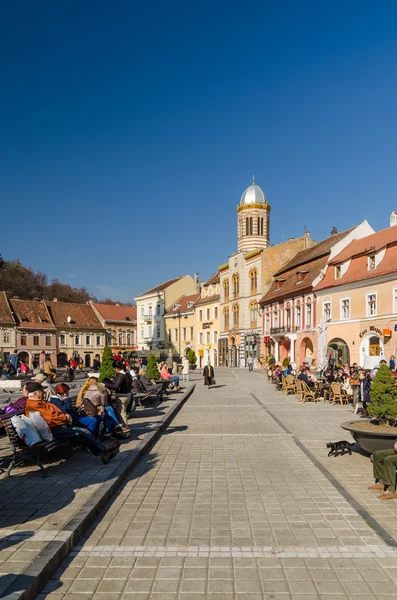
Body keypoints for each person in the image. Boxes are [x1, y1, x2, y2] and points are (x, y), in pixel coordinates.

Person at [25, 382, 119, 463]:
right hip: (53, 429)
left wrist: (65, 416)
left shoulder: (40, 402)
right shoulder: (34, 405)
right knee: (80, 433)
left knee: (83, 432)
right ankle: (104, 450)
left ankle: (103, 452)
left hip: (58, 426)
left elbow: (55, 412)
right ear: (36, 393)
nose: (44, 392)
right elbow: (50, 417)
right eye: (42, 391)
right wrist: (65, 417)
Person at [104, 360, 132, 428]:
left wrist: (105, 384)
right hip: (128, 395)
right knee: (123, 413)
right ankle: (124, 429)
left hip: (122, 396)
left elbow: (116, 386)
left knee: (122, 414)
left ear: (116, 368)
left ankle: (125, 431)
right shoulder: (127, 374)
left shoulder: (121, 375)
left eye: (114, 369)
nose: (114, 370)